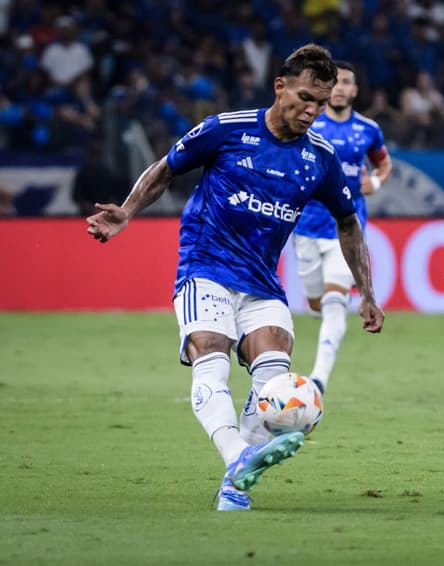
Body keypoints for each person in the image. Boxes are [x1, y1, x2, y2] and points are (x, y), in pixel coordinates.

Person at [86, 44, 384, 512]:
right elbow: (166, 169)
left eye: (321, 103)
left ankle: (236, 476)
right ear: (279, 86)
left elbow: (349, 221)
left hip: (262, 279)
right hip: (205, 266)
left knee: (273, 378)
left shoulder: (319, 157)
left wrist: (366, 292)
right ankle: (238, 455)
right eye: (305, 97)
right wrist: (126, 211)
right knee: (210, 349)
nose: (312, 110)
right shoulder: (226, 129)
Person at [293, 60, 392, 394]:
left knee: (335, 300)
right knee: (317, 304)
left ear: (354, 90)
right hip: (306, 226)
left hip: (346, 228)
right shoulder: (307, 122)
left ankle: (318, 379)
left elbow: (383, 164)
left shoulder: (368, 129)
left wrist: (375, 185)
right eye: (334, 82)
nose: (339, 88)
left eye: (346, 82)